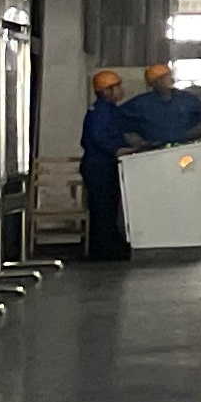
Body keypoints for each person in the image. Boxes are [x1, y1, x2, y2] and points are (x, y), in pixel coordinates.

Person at [76, 71, 130, 262]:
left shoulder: (109, 110)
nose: (121, 90)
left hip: (103, 165)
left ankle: (108, 245)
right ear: (106, 91)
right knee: (103, 209)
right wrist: (118, 150)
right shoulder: (102, 112)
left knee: (108, 207)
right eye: (117, 87)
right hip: (99, 166)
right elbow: (100, 138)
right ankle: (104, 249)